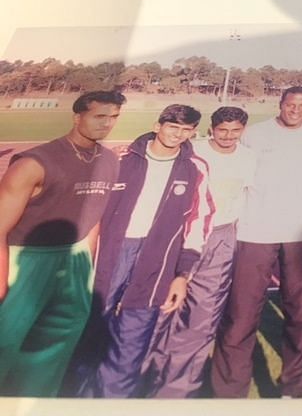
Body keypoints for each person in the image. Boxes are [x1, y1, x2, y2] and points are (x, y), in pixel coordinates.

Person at [82, 104, 214, 398]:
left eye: (185, 130)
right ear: (158, 125)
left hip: (155, 265)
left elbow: (198, 223)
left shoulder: (195, 168)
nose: (177, 134)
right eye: (172, 127)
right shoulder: (121, 157)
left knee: (130, 344)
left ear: (193, 132)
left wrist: (182, 274)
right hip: (109, 257)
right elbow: (89, 211)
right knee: (88, 333)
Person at [0, 90, 126, 396]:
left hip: (75, 259)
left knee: (54, 350)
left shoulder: (109, 160)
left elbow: (94, 221)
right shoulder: (34, 162)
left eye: (113, 118)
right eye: (99, 116)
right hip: (25, 259)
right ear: (77, 116)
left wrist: (87, 275)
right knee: (6, 344)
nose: (107, 124)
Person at [211, 86, 302, 398]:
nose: (295, 110)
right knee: (241, 314)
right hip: (255, 231)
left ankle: (293, 388)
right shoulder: (254, 134)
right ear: (280, 105)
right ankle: (229, 392)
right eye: (290, 104)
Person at [144, 106, 256, 398]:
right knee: (159, 308)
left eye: (236, 131)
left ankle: (177, 391)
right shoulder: (192, 151)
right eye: (223, 130)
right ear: (211, 129)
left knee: (201, 317)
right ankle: (143, 375)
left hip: (220, 238)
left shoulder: (249, 158)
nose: (229, 136)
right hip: (178, 236)